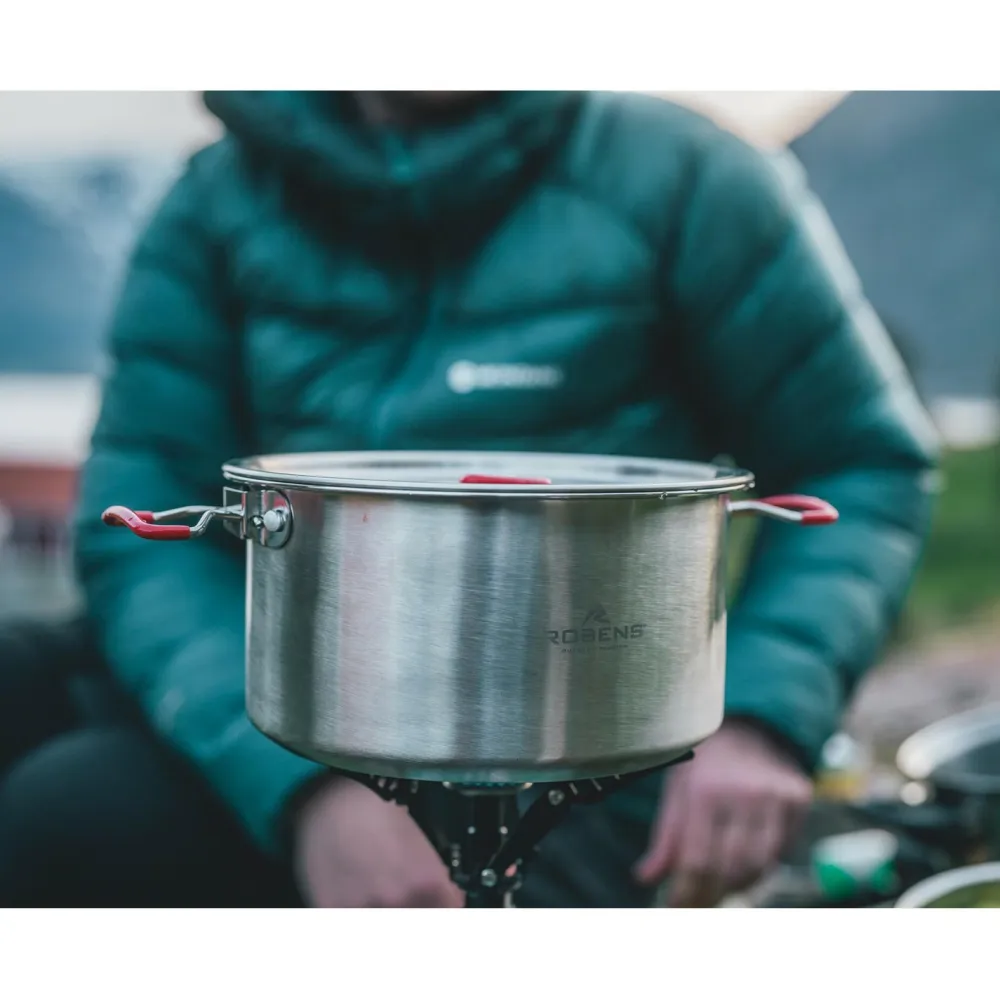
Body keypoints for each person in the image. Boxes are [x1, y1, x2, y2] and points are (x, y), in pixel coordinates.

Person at [0, 91, 937, 908]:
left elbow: (859, 458)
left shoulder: (688, 179)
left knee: (76, 815)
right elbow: (143, 522)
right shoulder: (218, 201)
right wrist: (298, 787)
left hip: (577, 739)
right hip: (285, 688)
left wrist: (761, 717)